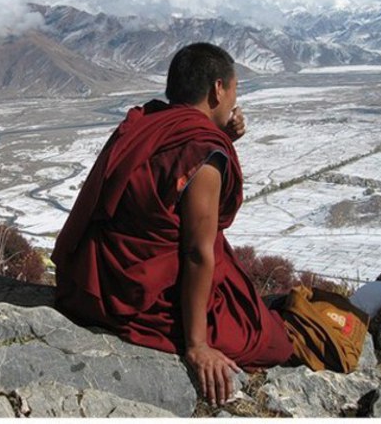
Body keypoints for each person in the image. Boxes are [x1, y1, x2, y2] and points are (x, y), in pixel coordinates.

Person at [51, 42, 295, 407]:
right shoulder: (202, 150)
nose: (234, 102)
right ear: (217, 89)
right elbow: (197, 252)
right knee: (271, 339)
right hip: (139, 300)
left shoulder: (146, 124)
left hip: (91, 284)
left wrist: (223, 138)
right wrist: (197, 345)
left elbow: (165, 183)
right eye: (233, 91)